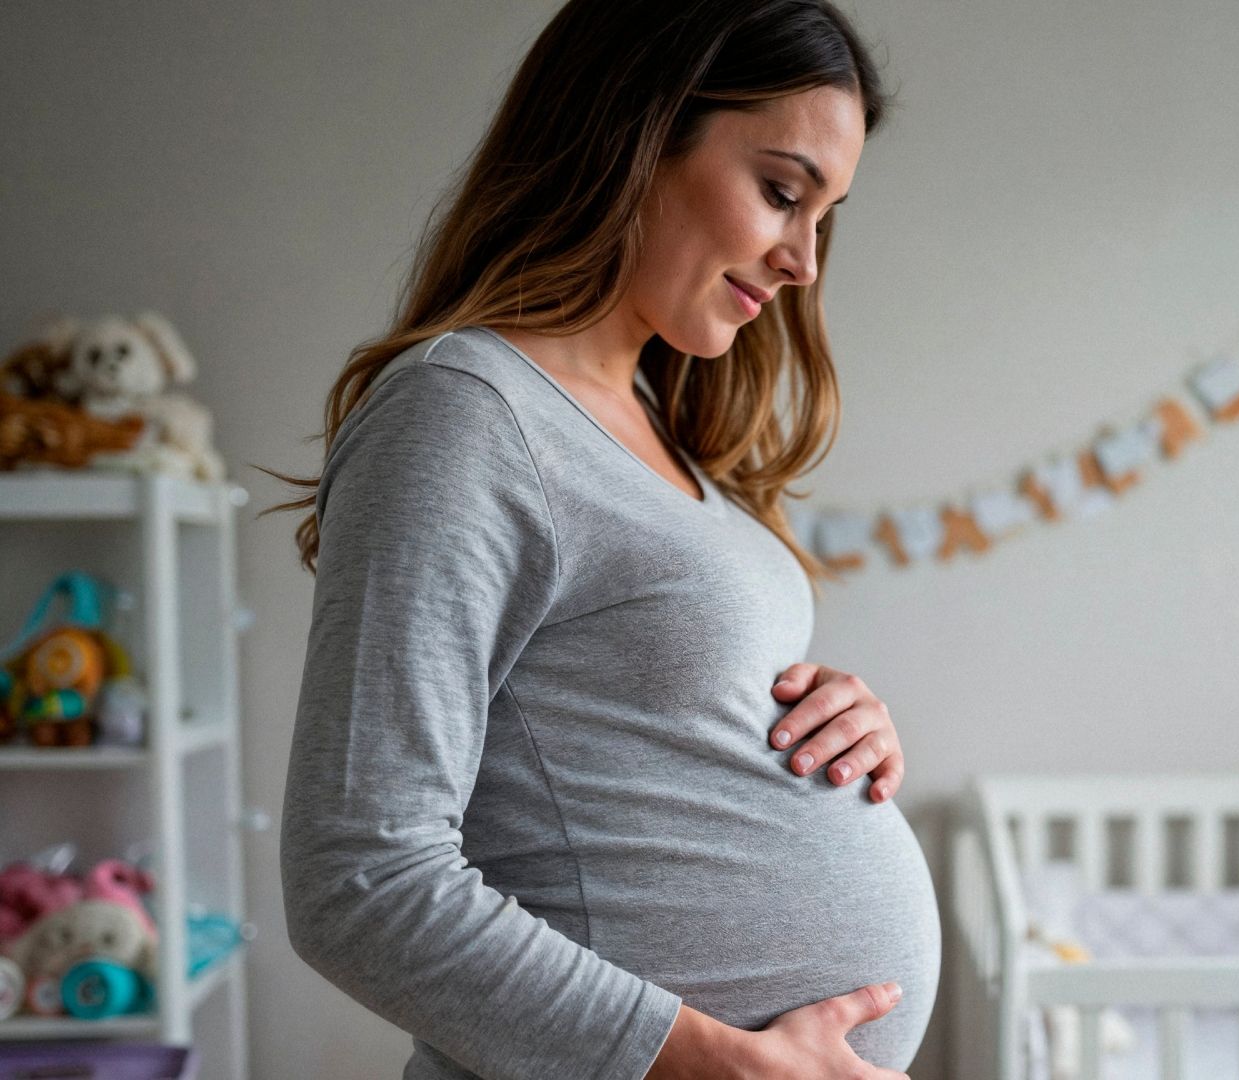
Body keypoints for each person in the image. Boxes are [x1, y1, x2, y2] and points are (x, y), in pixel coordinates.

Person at [261, 1, 940, 1076]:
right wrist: (712, 1058)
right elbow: (361, 878)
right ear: (639, 129)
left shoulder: (667, 432)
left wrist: (842, 732)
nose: (806, 260)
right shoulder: (464, 412)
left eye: (828, 216)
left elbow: (643, 730)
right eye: (780, 192)